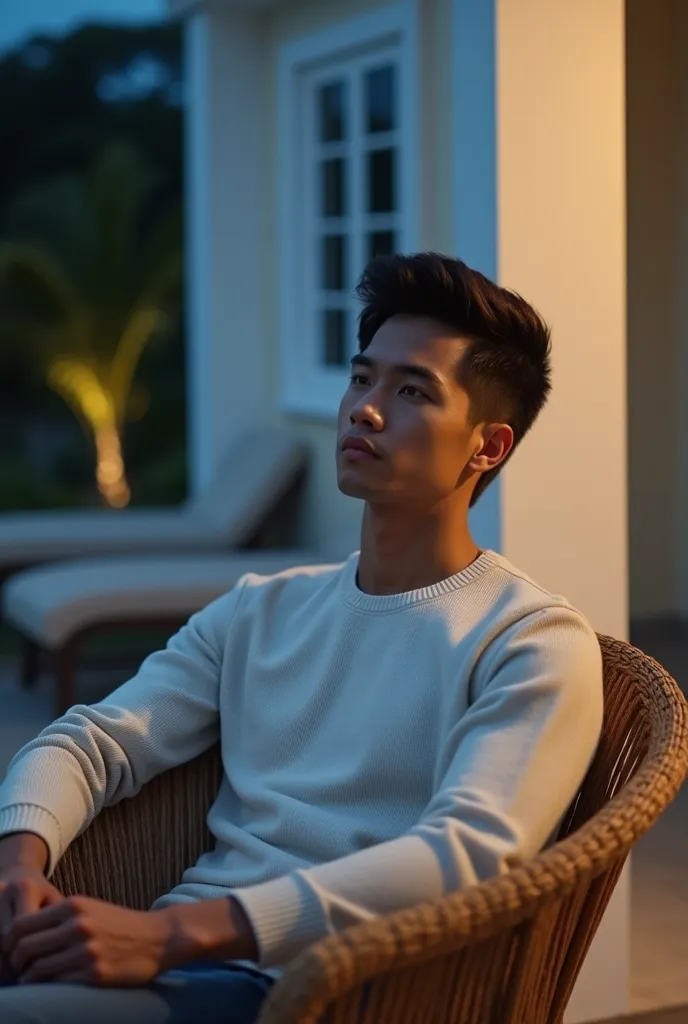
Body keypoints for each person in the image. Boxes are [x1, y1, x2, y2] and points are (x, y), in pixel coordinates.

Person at [0, 253, 604, 1023]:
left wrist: (169, 935)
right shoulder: (262, 610)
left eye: (412, 390)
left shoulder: (531, 641)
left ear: (488, 446)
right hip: (170, 962)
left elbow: (472, 854)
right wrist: (18, 862)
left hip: (320, 989)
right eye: (362, 378)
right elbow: (92, 743)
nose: (366, 409)